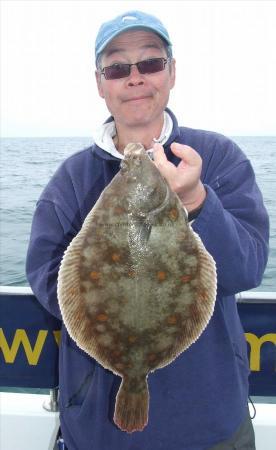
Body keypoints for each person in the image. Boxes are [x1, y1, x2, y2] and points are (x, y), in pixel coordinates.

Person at [26, 10, 269, 450]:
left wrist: (196, 200)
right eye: (117, 68)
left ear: (171, 73)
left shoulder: (218, 158)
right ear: (101, 84)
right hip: (99, 432)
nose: (134, 77)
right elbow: (44, 274)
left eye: (150, 63)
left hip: (212, 424)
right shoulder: (71, 179)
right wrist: (103, 290)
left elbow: (248, 268)